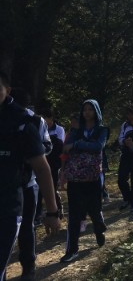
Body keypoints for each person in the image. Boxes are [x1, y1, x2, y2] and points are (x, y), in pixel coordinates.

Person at [0, 71, 61, 280]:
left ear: (7, 91)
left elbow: (43, 167)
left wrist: (52, 211)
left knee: (27, 227)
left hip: (13, 198)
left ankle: (28, 266)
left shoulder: (25, 122)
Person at [10, 88, 52, 280]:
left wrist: (30, 152)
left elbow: (47, 146)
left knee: (27, 226)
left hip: (28, 182)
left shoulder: (35, 120)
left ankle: (28, 266)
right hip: (7, 183)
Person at [60, 99, 109, 263]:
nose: (87, 112)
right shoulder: (76, 130)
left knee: (94, 210)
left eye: (90, 109)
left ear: (96, 111)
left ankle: (99, 229)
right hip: (75, 178)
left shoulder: (102, 130)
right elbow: (66, 148)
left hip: (93, 178)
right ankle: (71, 250)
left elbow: (98, 147)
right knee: (74, 214)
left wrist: (77, 145)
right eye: (85, 109)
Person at [37, 107, 65, 221]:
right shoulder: (39, 127)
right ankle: (38, 212)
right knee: (39, 189)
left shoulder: (59, 129)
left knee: (52, 187)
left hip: (54, 162)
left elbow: (60, 144)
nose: (43, 120)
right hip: (43, 160)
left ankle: (58, 209)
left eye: (45, 118)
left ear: (51, 118)